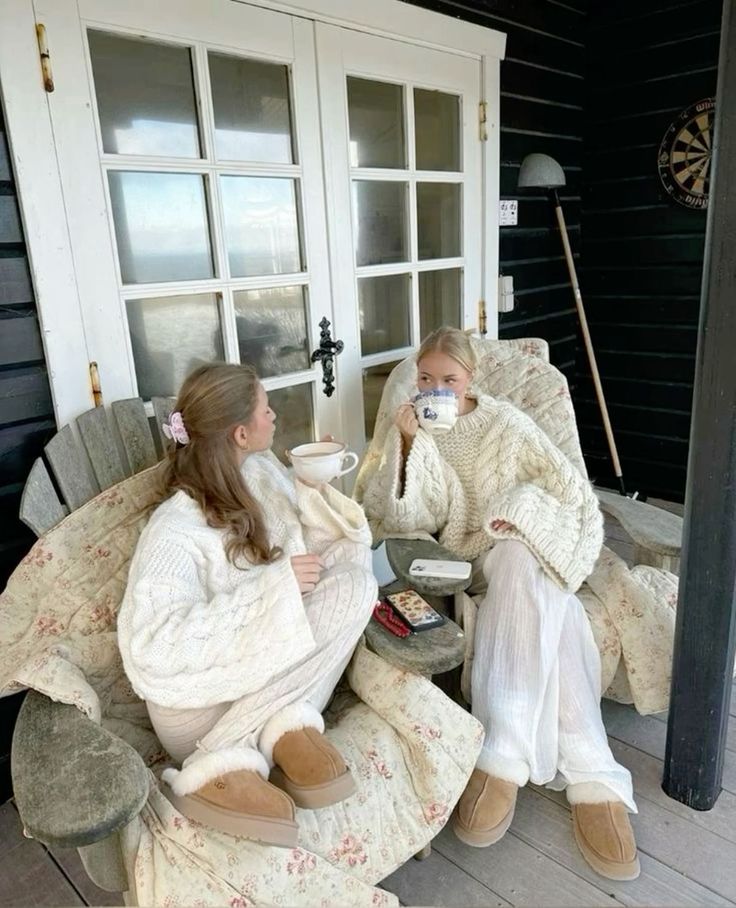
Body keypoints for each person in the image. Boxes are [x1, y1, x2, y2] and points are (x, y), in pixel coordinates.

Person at [359, 327, 640, 882]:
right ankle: (593, 775)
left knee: (520, 563)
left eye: (449, 379)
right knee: (525, 580)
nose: (435, 388)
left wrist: (519, 510)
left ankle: (507, 754)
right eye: (426, 378)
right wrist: (410, 445)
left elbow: (568, 489)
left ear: (470, 378)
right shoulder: (415, 424)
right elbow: (406, 517)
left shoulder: (507, 423)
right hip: (465, 557)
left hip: (522, 548)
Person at [117, 363, 377, 847]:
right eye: (265, 409)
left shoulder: (258, 473)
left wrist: (311, 487)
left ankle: (280, 728)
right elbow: (153, 646)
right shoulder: (174, 530)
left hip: (256, 675)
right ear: (240, 432)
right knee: (345, 588)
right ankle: (215, 760)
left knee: (357, 582)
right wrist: (273, 593)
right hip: (198, 703)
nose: (274, 415)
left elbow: (317, 549)